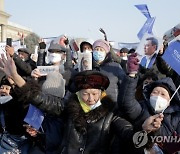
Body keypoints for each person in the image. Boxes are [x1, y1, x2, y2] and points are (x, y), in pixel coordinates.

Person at [119, 53, 180, 153]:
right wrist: (131, 74)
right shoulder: (142, 108)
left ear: (170, 101)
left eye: (163, 94)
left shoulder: (176, 117)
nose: (158, 96)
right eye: (155, 92)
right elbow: (126, 102)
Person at [0, 76, 31, 153]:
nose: (3, 90)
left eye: (7, 88)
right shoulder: (1, 104)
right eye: (2, 87)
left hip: (17, 140)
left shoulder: (18, 105)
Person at [92, 39, 126, 104]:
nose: (98, 52)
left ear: (106, 53)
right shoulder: (88, 66)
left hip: (112, 106)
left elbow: (124, 87)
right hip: (91, 106)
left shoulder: (115, 67)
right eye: (96, 49)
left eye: (101, 50)